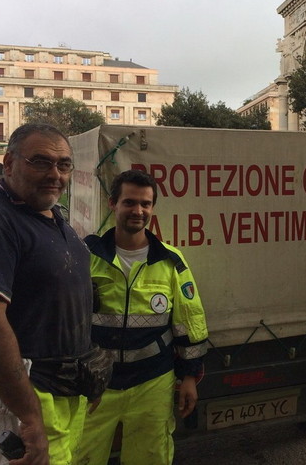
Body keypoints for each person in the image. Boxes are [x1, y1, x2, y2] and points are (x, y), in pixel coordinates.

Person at [0, 123, 106, 465]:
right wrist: (29, 418)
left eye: (64, 165)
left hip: (57, 395)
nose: (55, 175)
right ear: (9, 164)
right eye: (41, 162)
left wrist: (86, 371)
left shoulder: (49, 216)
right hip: (9, 402)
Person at [77, 169, 209, 465]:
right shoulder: (87, 256)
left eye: (145, 204)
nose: (138, 211)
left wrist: (189, 376)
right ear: (113, 203)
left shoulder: (170, 260)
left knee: (151, 457)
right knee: (80, 456)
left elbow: (189, 321)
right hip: (95, 385)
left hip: (152, 382)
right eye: (129, 202)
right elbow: (65, 318)